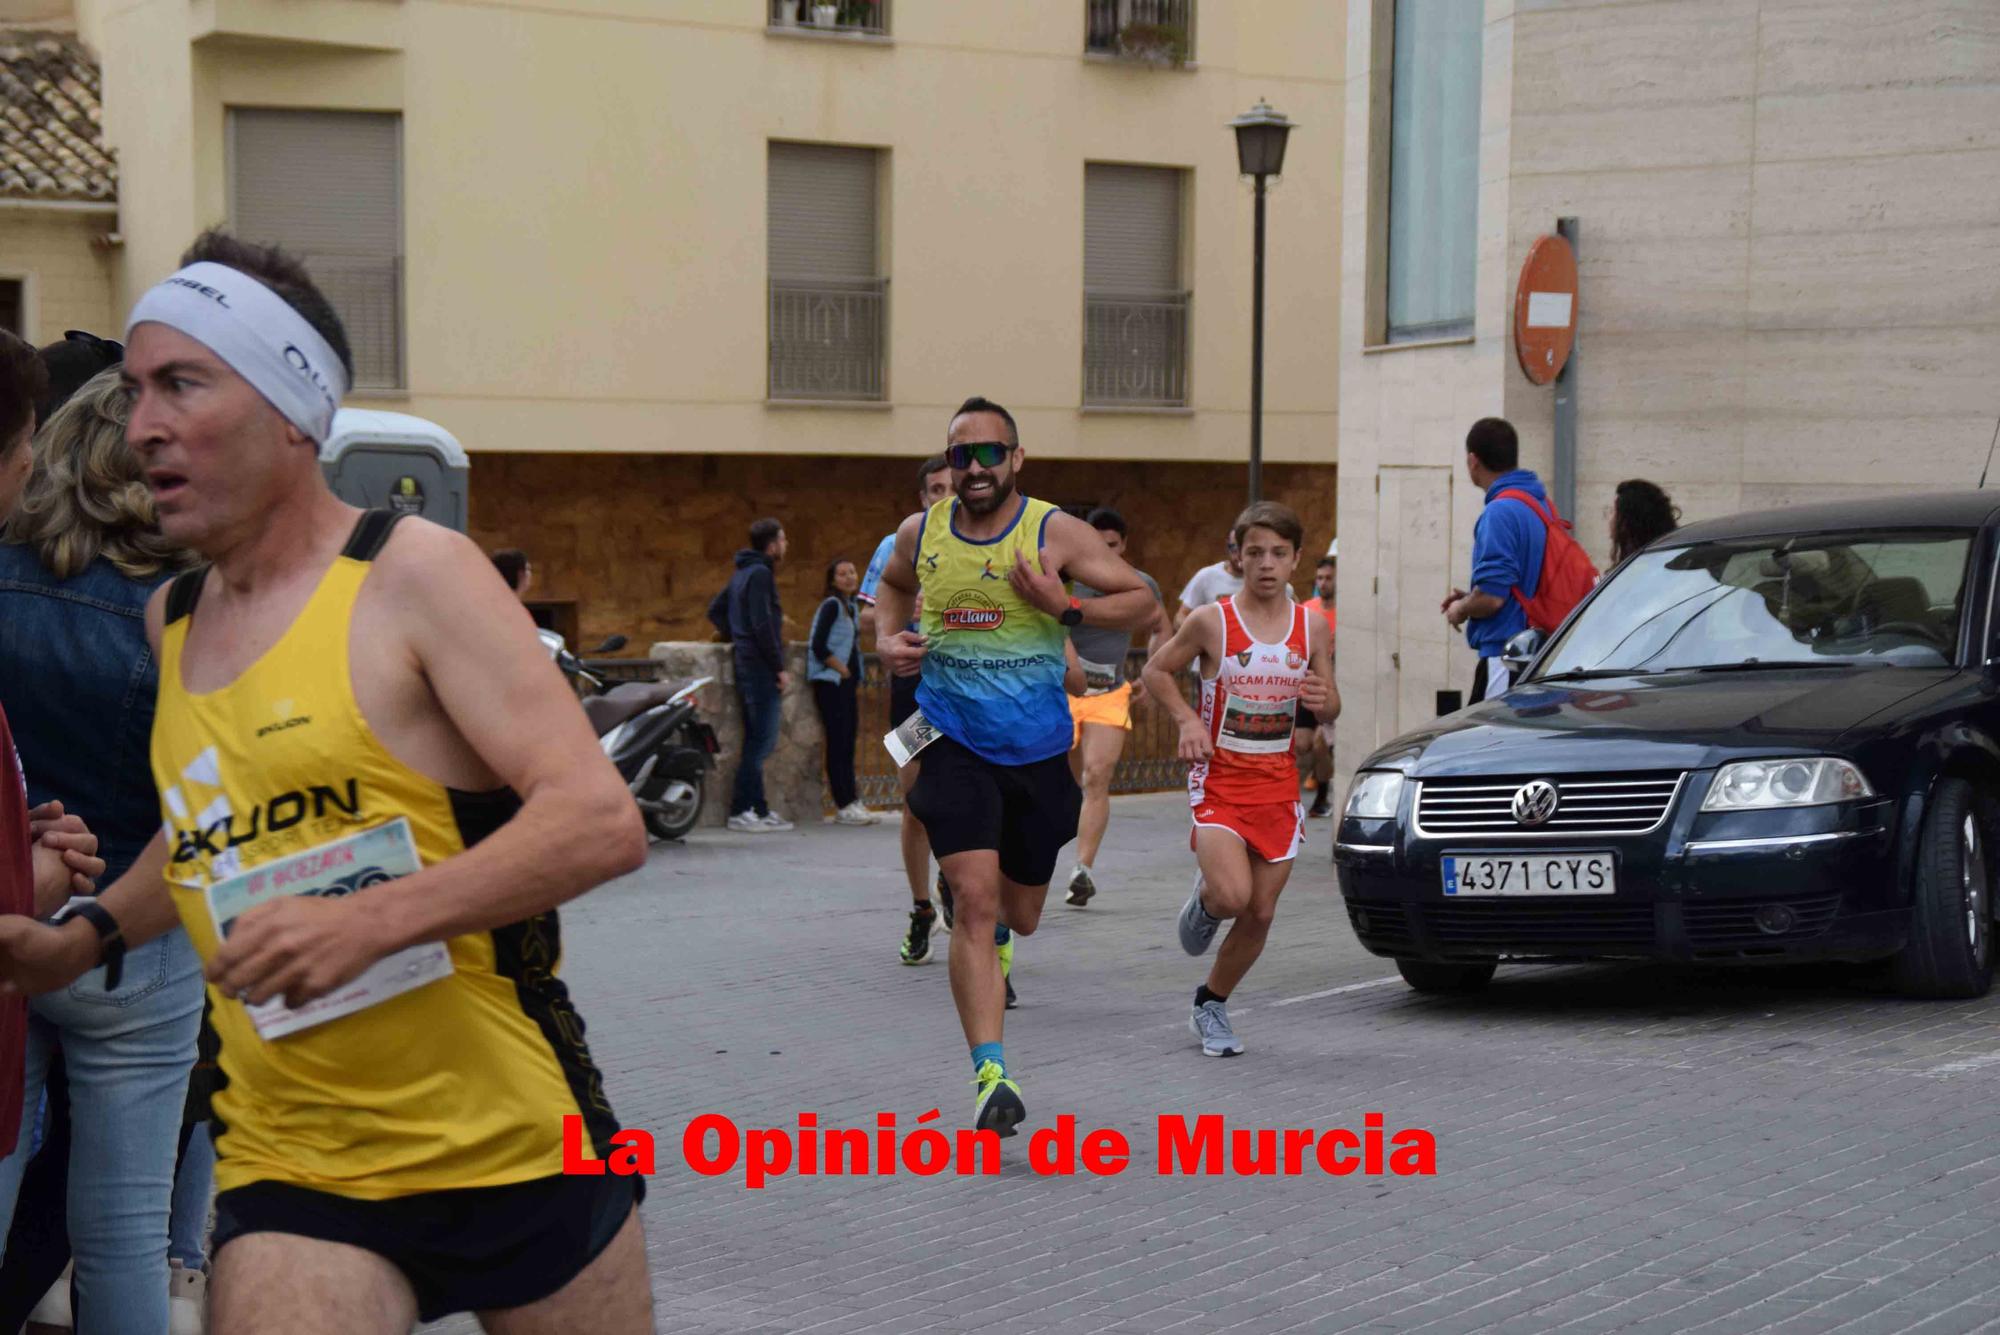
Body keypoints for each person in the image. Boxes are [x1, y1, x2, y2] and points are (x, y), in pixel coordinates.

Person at [0, 231, 653, 1334]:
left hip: (511, 1134)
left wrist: (373, 923)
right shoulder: (175, 619)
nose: (143, 420)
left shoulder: (413, 575)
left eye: (181, 385)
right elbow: (207, 832)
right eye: (135, 390)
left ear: (288, 412)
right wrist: (88, 936)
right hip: (291, 1156)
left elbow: (596, 821)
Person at [871, 396, 1154, 1135]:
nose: (974, 469)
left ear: (1017, 458)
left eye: (989, 453)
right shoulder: (919, 531)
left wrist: (1065, 606)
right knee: (974, 897)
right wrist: (886, 640)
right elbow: (892, 589)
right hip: (949, 737)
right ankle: (990, 1074)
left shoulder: (1052, 530)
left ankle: (992, 925)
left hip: (1035, 752)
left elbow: (1143, 602)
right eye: (961, 455)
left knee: (1019, 915)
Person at [0, 367, 208, 1335]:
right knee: (127, 1230)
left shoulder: (4, 575)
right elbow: (209, 810)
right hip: (139, 935)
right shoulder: (191, 610)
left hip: (13, 908)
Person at [1141, 501, 1336, 1058]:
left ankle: (1211, 1004)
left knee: (1262, 911)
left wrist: (1326, 701)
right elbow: (1156, 670)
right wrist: (1185, 721)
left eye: (1278, 553)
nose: (1266, 564)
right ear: (1238, 557)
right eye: (1255, 553)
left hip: (1279, 785)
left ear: (1296, 559)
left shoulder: (1312, 626)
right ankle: (1205, 903)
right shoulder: (1212, 621)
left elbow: (1331, 702)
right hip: (1219, 780)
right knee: (1232, 895)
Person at [858, 455, 954, 967]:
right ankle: (922, 908)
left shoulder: (986, 547)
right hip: (913, 689)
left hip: (972, 690)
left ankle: (957, 880)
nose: (945, 497)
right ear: (922, 499)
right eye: (935, 490)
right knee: (915, 800)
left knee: (973, 795)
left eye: (951, 488)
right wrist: (901, 617)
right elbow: (871, 612)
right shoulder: (898, 546)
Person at [1061, 508, 1169, 907]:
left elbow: (1161, 627)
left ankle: (1082, 870)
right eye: (1097, 544)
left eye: (1112, 545)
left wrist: (1155, 671)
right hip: (1065, 692)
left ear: (1123, 545)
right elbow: (1049, 626)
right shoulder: (1071, 580)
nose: (1104, 551)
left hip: (1110, 692)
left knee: (1097, 776)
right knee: (1072, 785)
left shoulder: (1141, 585)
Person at [1441, 417, 1549, 703]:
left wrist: (1461, 608)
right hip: (1536, 654)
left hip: (1506, 657)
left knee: (1489, 743)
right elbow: (1521, 584)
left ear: (1473, 461)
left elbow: (1492, 599)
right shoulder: (1538, 505)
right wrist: (1474, 595)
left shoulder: (1499, 513)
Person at [724, 517, 792, 833]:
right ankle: (741, 810)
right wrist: (778, 667)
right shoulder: (761, 573)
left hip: (746, 663)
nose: (786, 545)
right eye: (783, 540)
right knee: (761, 743)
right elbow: (762, 625)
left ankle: (760, 809)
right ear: (772, 544)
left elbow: (716, 609)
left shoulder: (741, 573)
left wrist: (734, 634)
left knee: (756, 739)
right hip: (760, 669)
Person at [808, 557, 876, 827]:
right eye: (842, 573)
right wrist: (841, 669)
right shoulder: (832, 606)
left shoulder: (850, 607)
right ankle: (843, 804)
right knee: (838, 743)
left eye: (852, 571)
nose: (849, 577)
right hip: (831, 682)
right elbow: (818, 646)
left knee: (848, 741)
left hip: (845, 683)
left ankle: (852, 799)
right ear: (832, 580)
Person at [1297, 553, 1338, 818]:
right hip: (1305, 683)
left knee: (1321, 744)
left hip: (1330, 685)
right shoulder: (1306, 609)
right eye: (1320, 578)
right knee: (1302, 743)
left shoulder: (1343, 615)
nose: (1323, 583)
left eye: (1329, 578)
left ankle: (1322, 797)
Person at [1174, 532, 1244, 629]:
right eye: (1234, 548)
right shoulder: (1207, 576)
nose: (1239, 555)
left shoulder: (1262, 579)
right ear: (1227, 546)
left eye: (1245, 548)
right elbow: (1181, 617)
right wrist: (1201, 636)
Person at [1610, 479, 1680, 565]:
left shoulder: (1641, 567)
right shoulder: (1676, 556)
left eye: (1615, 513)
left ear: (1627, 524)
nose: (1611, 520)